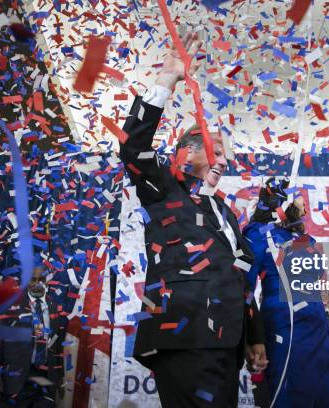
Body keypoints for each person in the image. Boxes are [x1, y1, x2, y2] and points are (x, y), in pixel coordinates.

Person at [119, 31, 266, 407]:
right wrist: (167, 79)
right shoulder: (164, 186)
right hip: (185, 335)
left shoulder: (225, 214)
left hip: (228, 345)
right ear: (187, 150)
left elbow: (239, 276)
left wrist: (253, 337)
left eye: (227, 154)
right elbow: (133, 146)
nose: (225, 160)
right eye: (218, 149)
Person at [242, 178, 329, 407]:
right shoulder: (257, 234)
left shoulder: (306, 240)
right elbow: (244, 289)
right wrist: (251, 339)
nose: (305, 206)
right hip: (286, 333)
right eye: (299, 198)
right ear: (282, 200)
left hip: (319, 338)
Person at [0, 267, 67, 406]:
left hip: (46, 377)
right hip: (16, 377)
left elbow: (57, 345)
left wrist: (60, 376)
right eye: (33, 280)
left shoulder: (54, 307)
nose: (37, 283)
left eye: (41, 280)